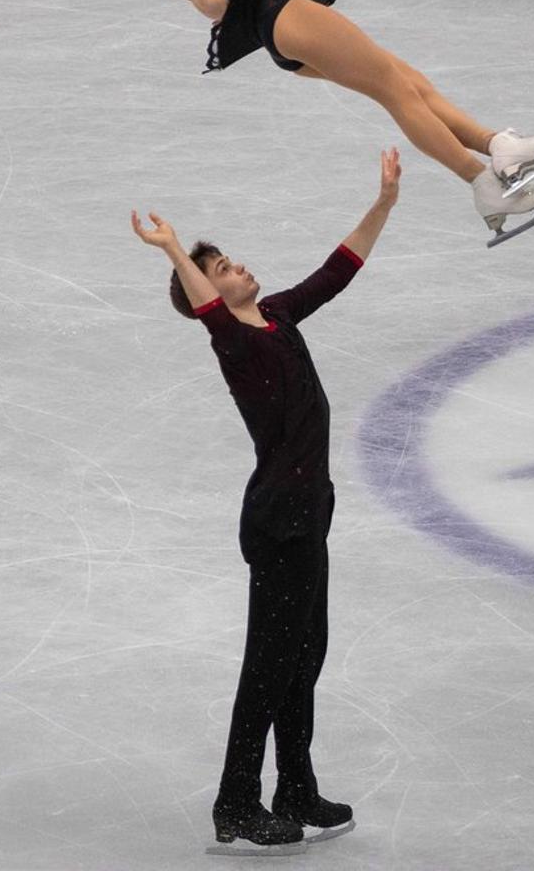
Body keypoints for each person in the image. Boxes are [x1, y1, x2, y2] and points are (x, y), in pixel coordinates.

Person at [131, 147, 403, 847]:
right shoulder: (233, 342)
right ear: (211, 295)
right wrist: (173, 251)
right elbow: (206, 306)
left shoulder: (278, 316)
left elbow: (336, 271)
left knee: (305, 654)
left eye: (230, 262)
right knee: (270, 665)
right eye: (224, 270)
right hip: (280, 520)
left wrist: (383, 204)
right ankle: (236, 803)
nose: (239, 267)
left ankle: (297, 787)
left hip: (309, 514)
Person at [49, 0, 534, 247]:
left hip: (278, 31)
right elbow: (210, 2)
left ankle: (497, 146)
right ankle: (481, 181)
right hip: (284, 17)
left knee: (406, 79)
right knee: (397, 90)